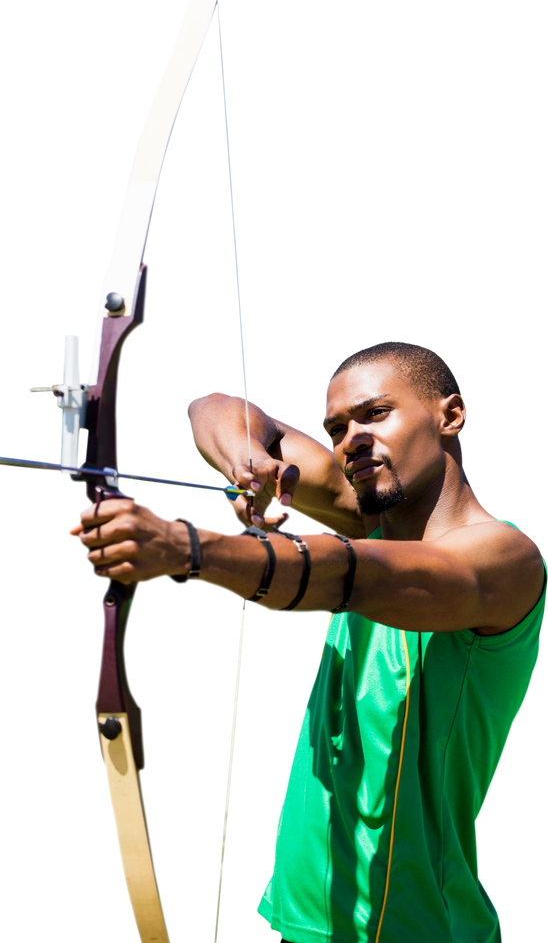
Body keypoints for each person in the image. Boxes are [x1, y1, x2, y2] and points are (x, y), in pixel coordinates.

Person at [65, 340, 547, 942]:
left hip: (416, 928)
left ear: (450, 415)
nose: (352, 440)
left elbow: (353, 574)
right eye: (336, 428)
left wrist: (188, 547)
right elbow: (210, 404)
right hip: (299, 919)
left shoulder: (506, 557)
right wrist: (247, 459)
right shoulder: (368, 515)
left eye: (376, 414)